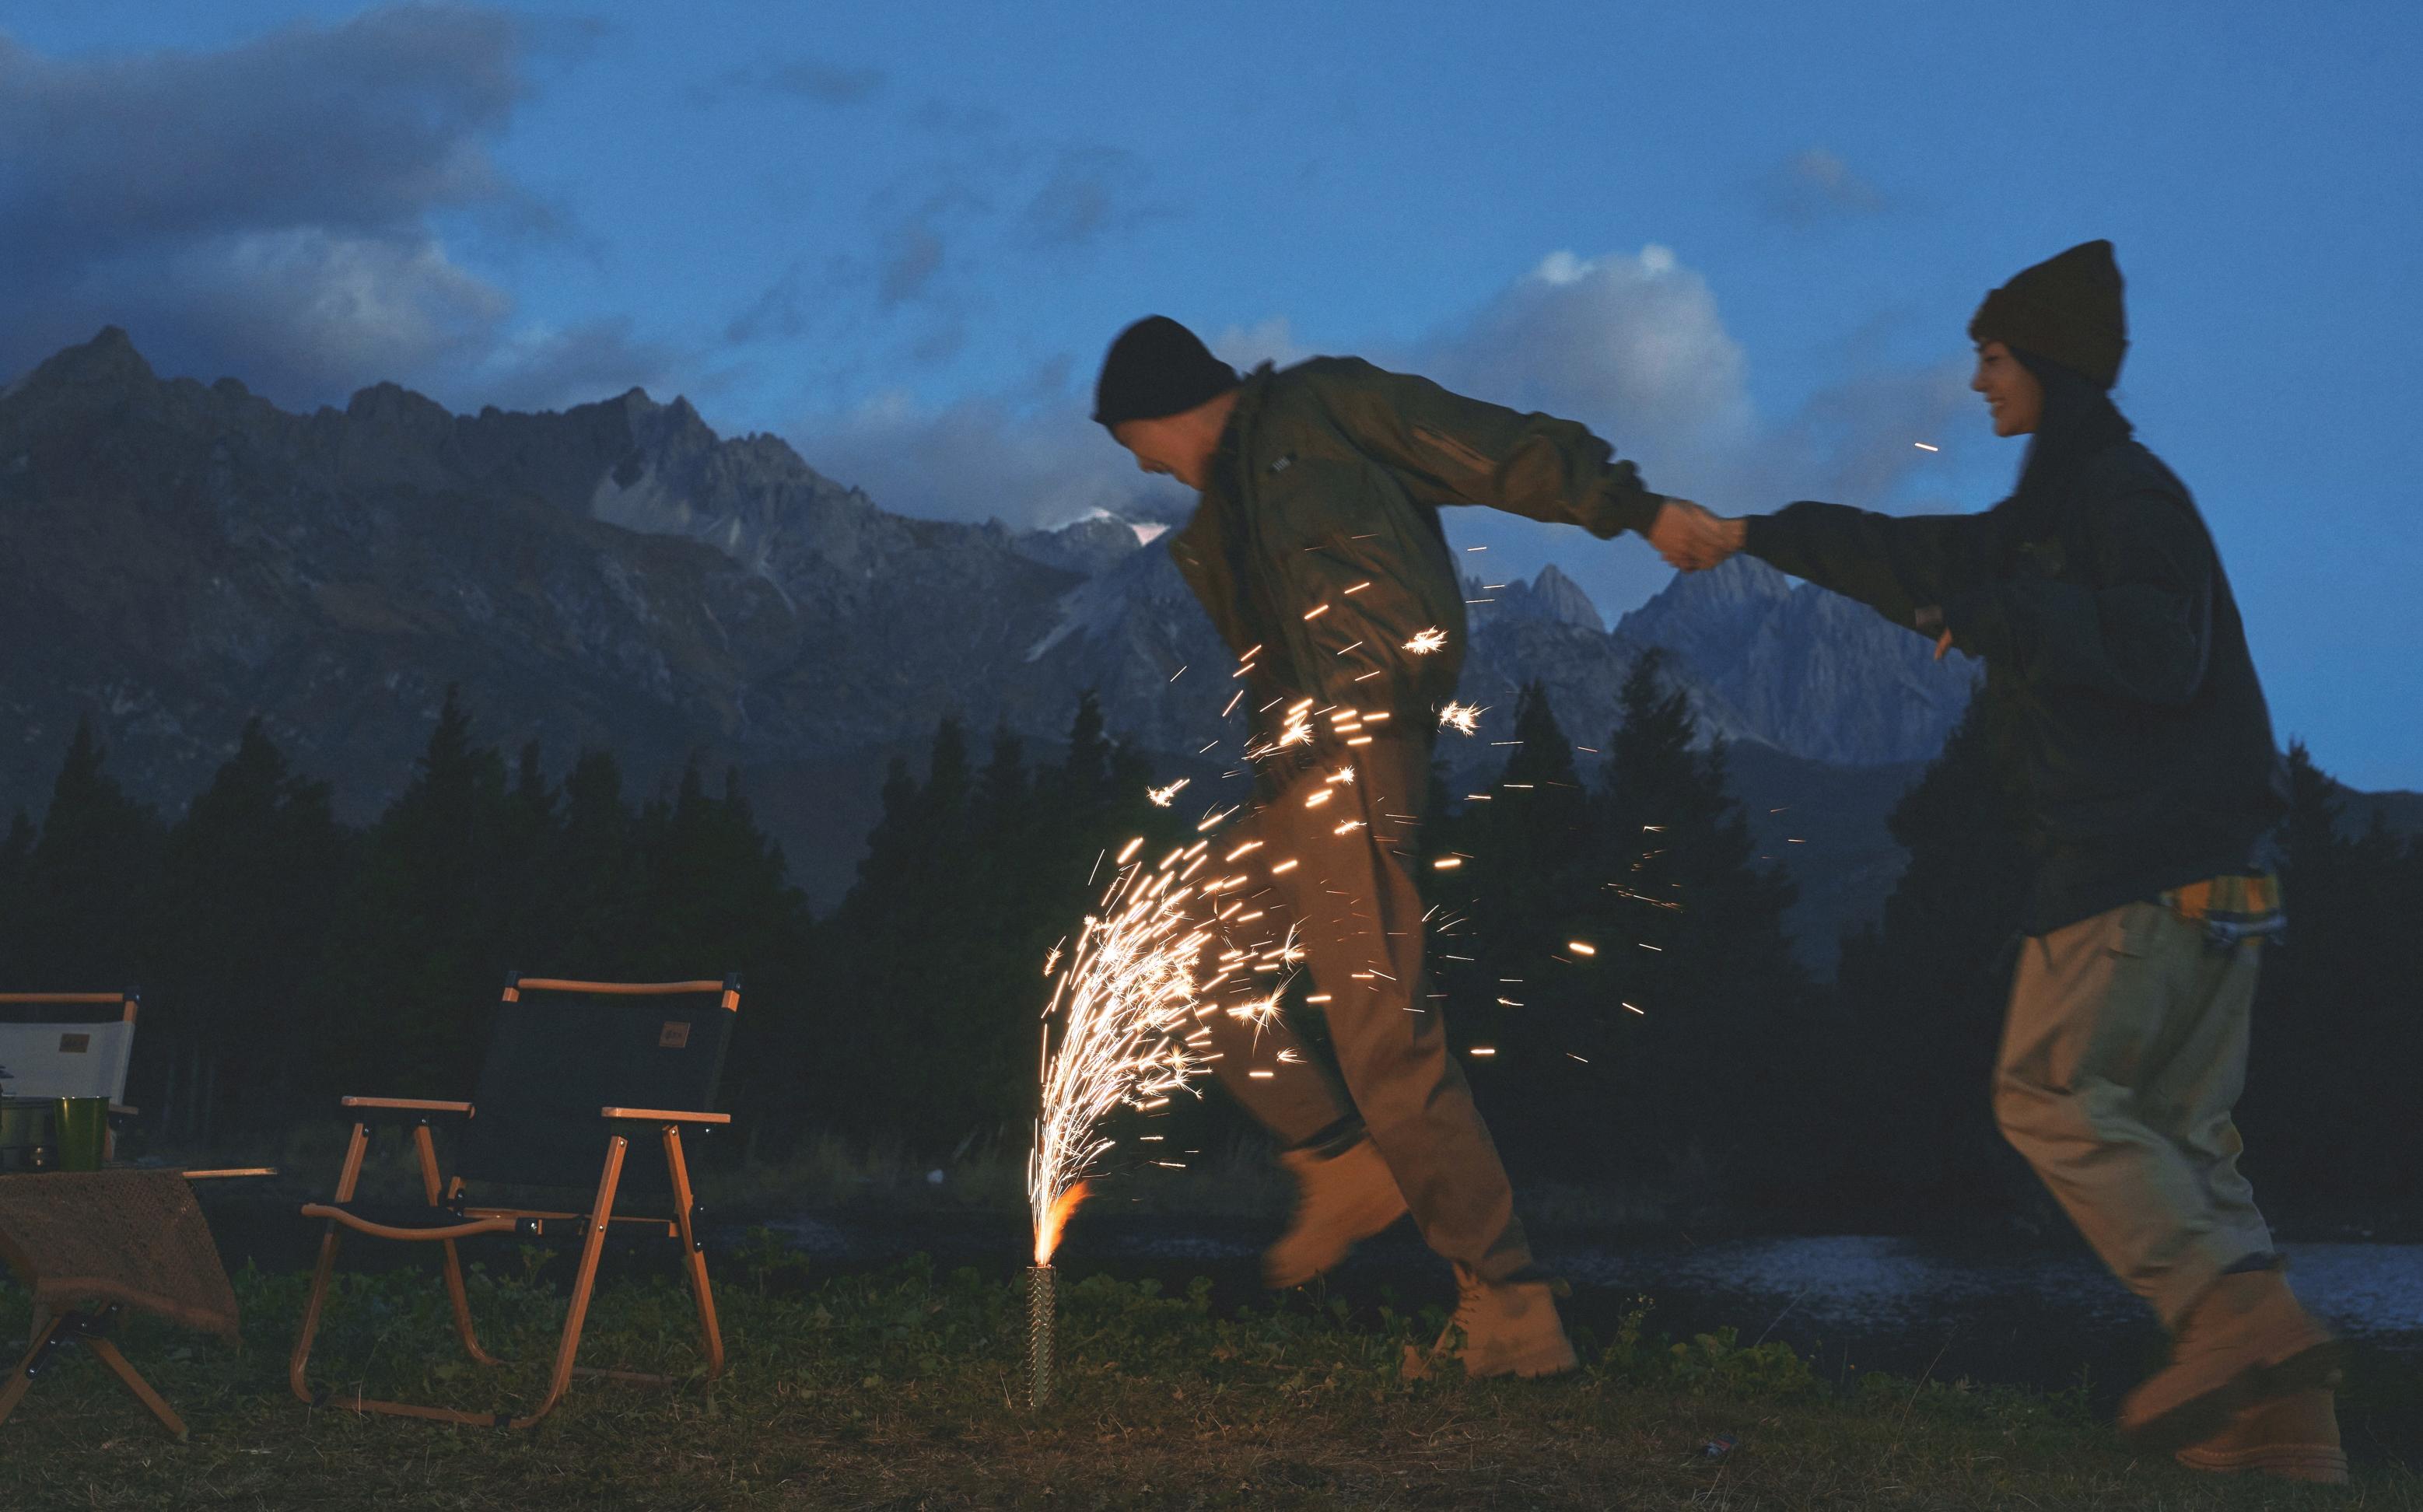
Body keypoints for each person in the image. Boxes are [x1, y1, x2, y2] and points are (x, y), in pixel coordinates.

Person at [1662, 241, 2346, 1482]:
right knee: (2187, 1146)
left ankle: (2241, 1327)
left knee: (2050, 1096)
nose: (1976, 384)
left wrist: (2006, 616)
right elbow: (1905, 560)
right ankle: (2290, 1438)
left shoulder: (2123, 496)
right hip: (2225, 886)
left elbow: (2159, 650)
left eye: (1991, 358)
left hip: (2134, 875)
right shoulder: (2054, 514)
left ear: (2046, 364)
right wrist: (1752, 532)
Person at [1093, 315, 1708, 1377]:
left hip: (1364, 747)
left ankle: (1509, 1301)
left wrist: (1632, 505)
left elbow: (1479, 442)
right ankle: (1338, 1164)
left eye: (1131, 439)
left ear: (1158, 411)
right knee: (1181, 955)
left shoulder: (1321, 408)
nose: (1139, 462)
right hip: (1292, 779)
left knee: (1385, 1035)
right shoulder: (1219, 519)